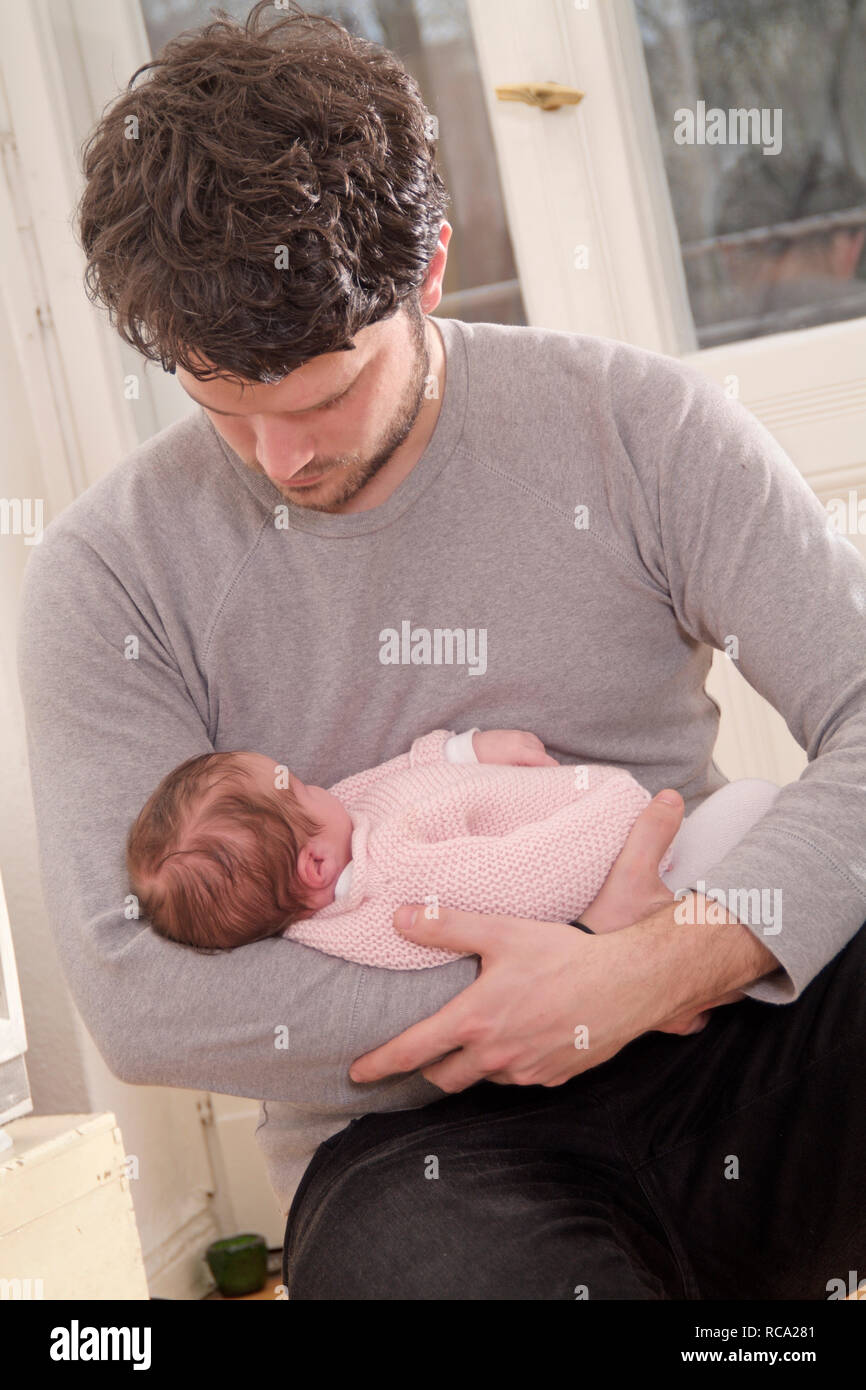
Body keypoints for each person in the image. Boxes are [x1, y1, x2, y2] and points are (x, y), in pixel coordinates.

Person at [17, 2, 866, 1298]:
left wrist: (654, 963)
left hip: (721, 1014)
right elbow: (138, 993)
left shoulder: (637, 426)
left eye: (321, 397)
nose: (282, 461)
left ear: (431, 273)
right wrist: (536, 988)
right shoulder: (104, 572)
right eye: (223, 410)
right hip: (418, 1142)